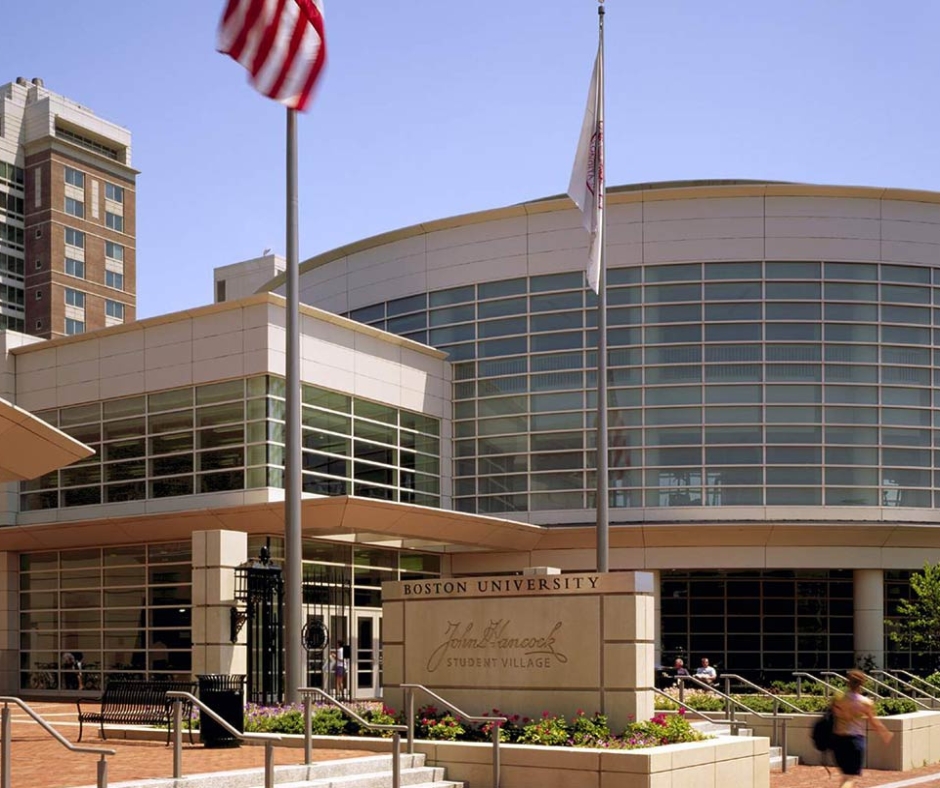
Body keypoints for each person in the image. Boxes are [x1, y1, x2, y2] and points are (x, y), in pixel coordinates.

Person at [830, 669, 892, 788]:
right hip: (855, 740)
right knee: (849, 778)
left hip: (838, 740)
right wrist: (884, 733)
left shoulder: (838, 698)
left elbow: (832, 715)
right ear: (862, 684)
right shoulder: (866, 702)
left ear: (848, 682)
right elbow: (873, 721)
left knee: (845, 776)